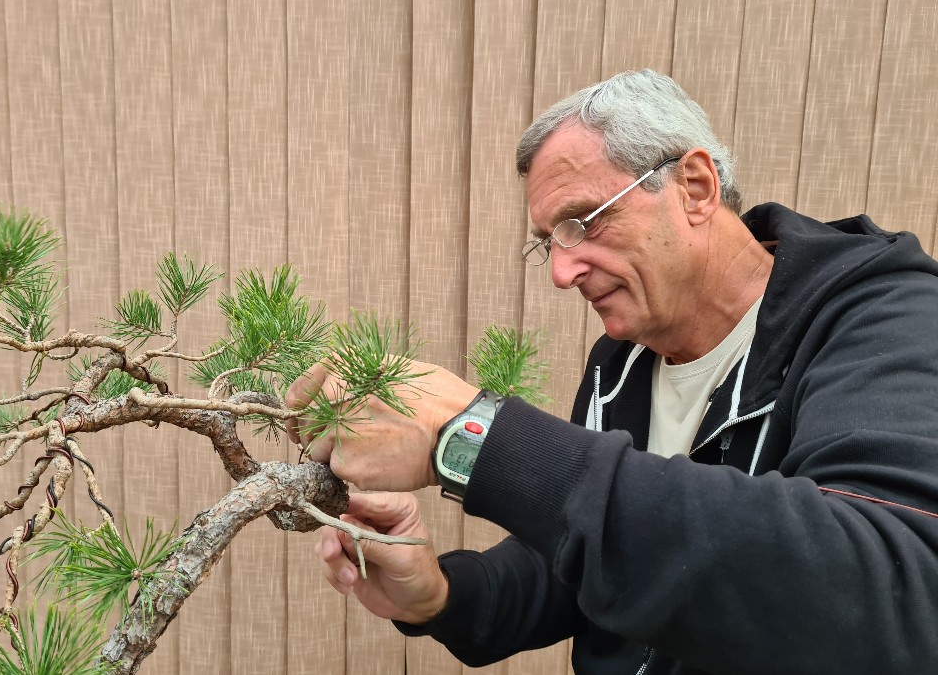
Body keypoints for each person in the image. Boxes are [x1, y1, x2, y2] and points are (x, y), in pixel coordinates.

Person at [285, 70, 938, 674]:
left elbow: (885, 590)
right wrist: (442, 594)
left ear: (695, 188)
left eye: (582, 222)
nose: (562, 271)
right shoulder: (621, 362)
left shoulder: (885, 322)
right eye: (549, 241)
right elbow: (587, 554)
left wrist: (473, 436)